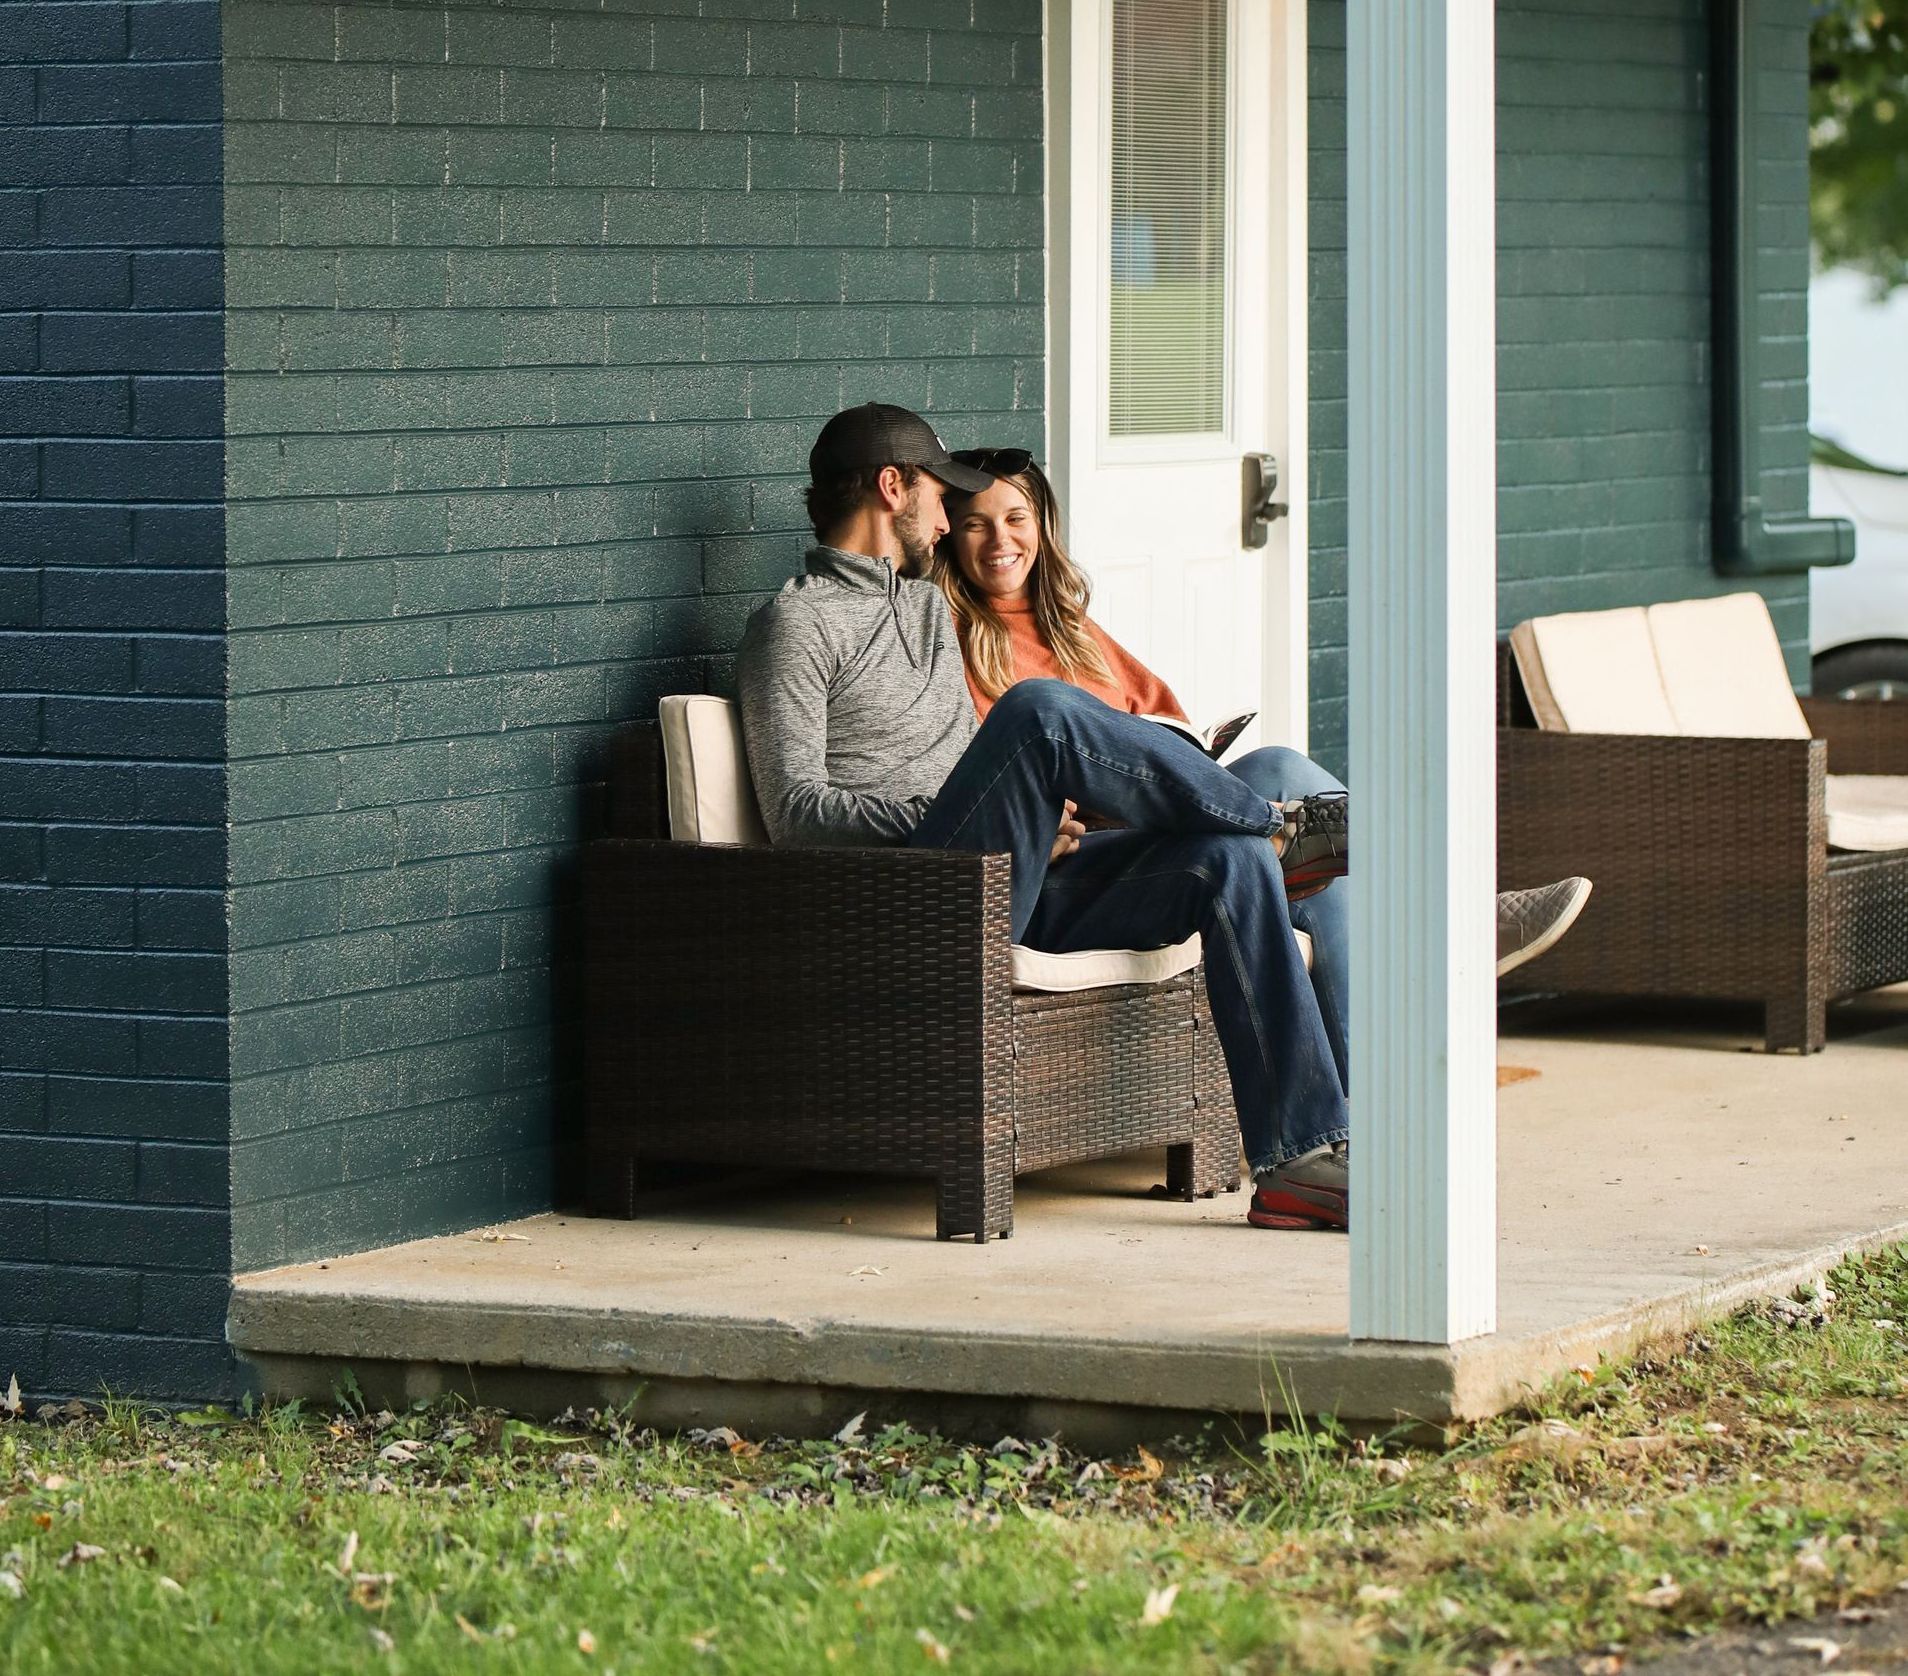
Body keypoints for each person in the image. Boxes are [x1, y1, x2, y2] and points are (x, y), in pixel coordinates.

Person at [736, 403, 1590, 1234]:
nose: (945, 514)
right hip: (924, 888)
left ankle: (1302, 1162)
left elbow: (963, 752)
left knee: (1230, 863)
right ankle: (1283, 825)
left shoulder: (922, 607)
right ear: (894, 488)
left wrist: (1035, 813)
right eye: (938, 491)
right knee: (1040, 709)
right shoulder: (794, 624)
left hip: (1025, 872)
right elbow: (797, 813)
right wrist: (964, 803)